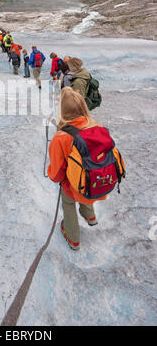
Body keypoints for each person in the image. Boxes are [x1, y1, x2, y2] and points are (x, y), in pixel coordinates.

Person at [47, 87, 105, 250]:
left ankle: (73, 238)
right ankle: (90, 216)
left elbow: (57, 174)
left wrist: (51, 174)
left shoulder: (61, 138)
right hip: (93, 179)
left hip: (73, 184)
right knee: (86, 183)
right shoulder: (95, 126)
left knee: (68, 202)